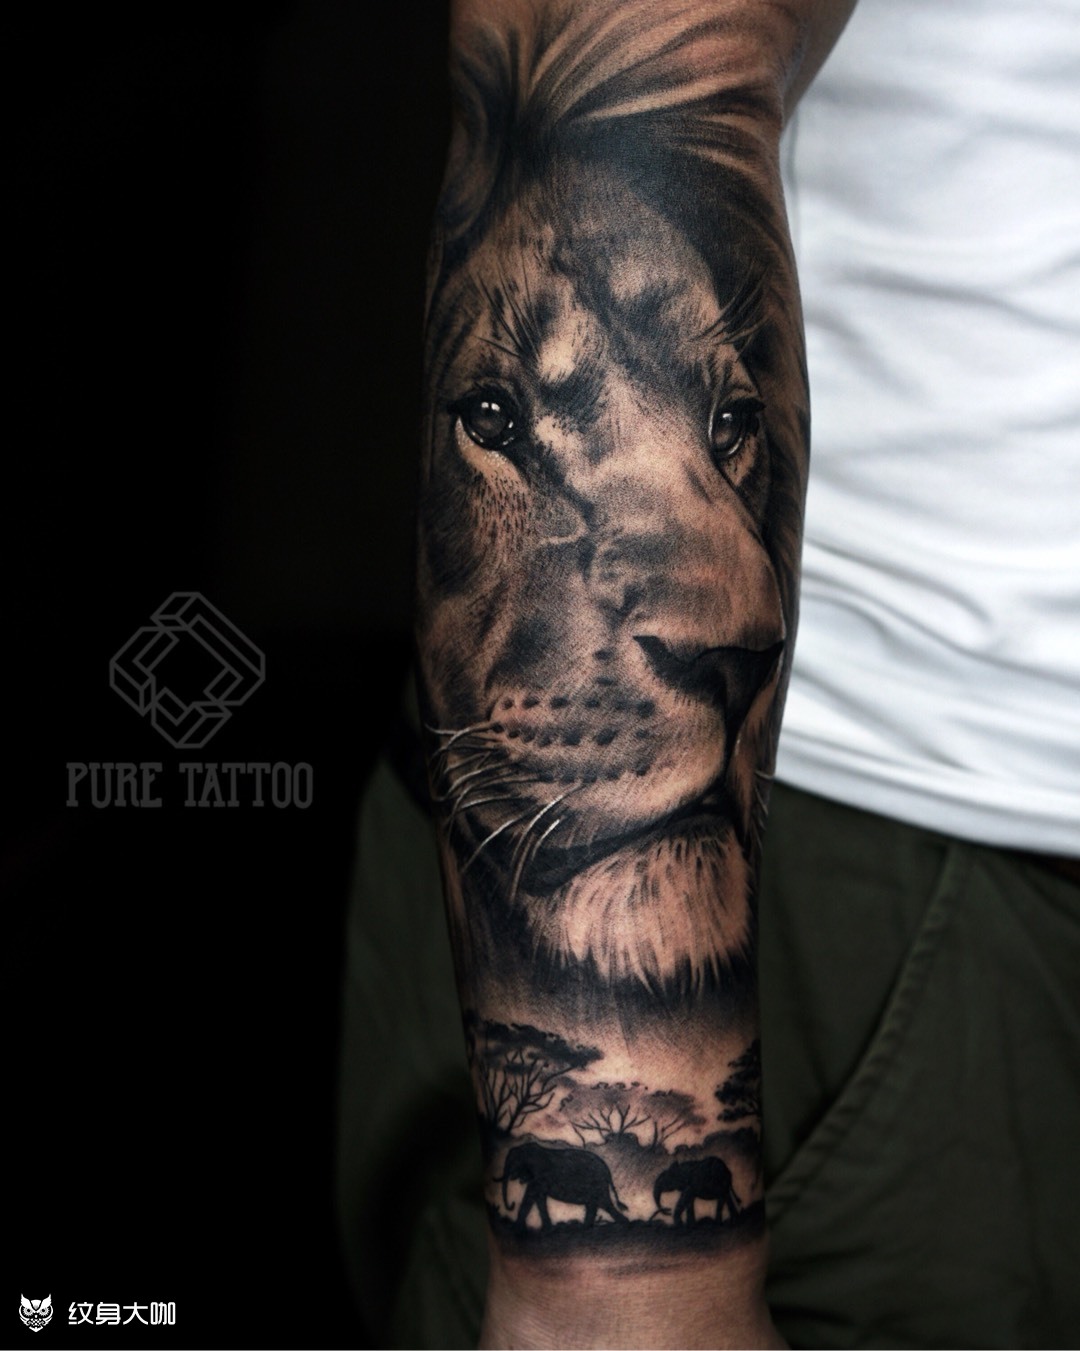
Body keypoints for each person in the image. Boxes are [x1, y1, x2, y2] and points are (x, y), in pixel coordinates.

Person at [337, 1, 1080, 1346]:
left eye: (727, 425)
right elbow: (601, 50)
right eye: (513, 416)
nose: (718, 602)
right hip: (882, 827)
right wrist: (617, 1296)